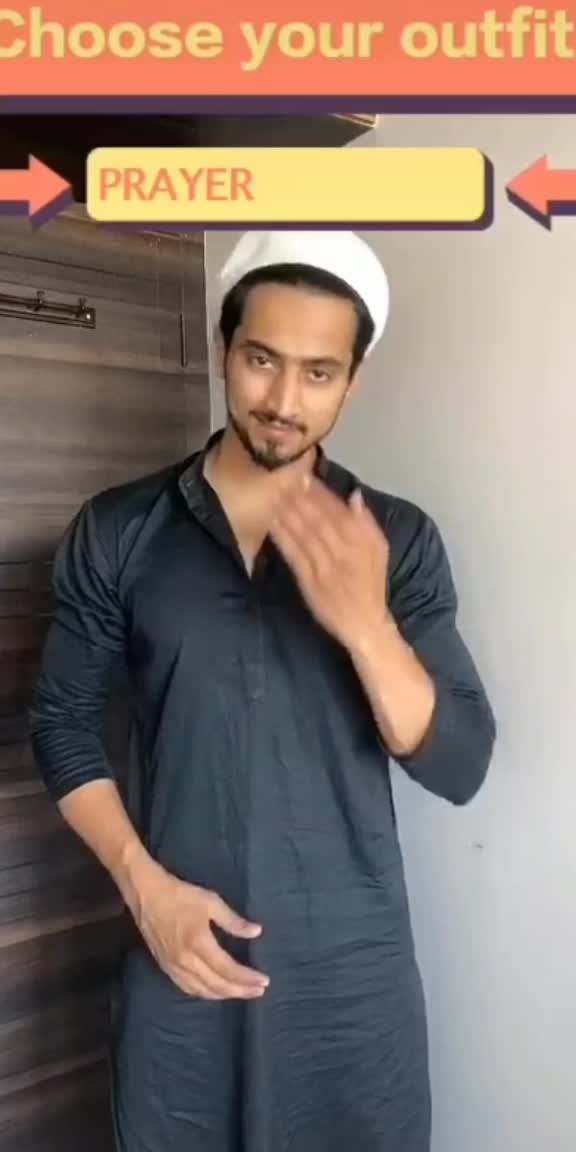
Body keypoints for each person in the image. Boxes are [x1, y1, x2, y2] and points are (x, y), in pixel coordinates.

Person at [29, 229, 496, 1152]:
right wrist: (143, 889)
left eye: (319, 373)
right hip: (179, 955)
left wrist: (365, 622)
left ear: (353, 381)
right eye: (261, 360)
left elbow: (460, 764)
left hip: (351, 982)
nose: (284, 401)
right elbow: (62, 723)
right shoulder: (120, 529)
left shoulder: (396, 539)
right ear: (222, 349)